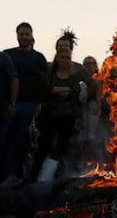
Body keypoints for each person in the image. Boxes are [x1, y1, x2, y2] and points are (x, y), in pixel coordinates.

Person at [0, 22, 49, 184]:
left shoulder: (39, 58)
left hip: (30, 105)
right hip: (10, 105)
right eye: (21, 34)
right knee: (5, 140)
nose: (24, 37)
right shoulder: (7, 55)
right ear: (17, 35)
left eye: (27, 34)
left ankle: (21, 177)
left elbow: (44, 83)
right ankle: (4, 177)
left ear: (31, 35)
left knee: (24, 142)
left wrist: (40, 104)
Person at [32, 48, 85, 182]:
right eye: (62, 57)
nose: (65, 60)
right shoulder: (51, 76)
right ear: (57, 59)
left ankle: (55, 179)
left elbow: (75, 94)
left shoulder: (74, 77)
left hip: (67, 118)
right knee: (44, 147)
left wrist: (58, 91)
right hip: (50, 117)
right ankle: (34, 179)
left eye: (68, 57)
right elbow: (48, 90)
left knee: (62, 149)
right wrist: (65, 90)